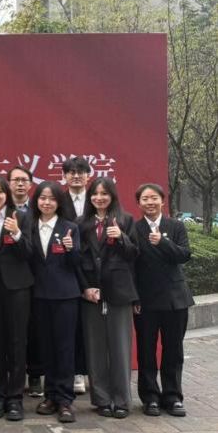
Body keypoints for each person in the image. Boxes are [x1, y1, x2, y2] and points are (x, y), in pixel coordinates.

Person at [78, 177, 138, 419]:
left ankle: (122, 400)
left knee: (120, 347)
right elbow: (76, 261)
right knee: (95, 348)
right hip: (91, 294)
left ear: (112, 196)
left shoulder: (126, 220)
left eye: (104, 193)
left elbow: (134, 255)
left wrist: (122, 237)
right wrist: (85, 288)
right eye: (95, 193)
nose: (99, 198)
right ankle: (101, 399)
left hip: (119, 292)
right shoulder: (81, 224)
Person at [133, 183, 193, 417]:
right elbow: (131, 266)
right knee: (146, 350)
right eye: (145, 199)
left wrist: (163, 242)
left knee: (173, 350)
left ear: (162, 200)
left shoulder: (175, 226)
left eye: (154, 198)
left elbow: (184, 255)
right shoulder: (134, 229)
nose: (150, 202)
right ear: (139, 203)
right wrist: (134, 297)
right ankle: (150, 397)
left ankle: (173, 396)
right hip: (146, 301)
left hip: (175, 299)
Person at [0, 176, 34, 421]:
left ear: (7, 193)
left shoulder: (22, 217)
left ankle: (15, 398)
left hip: (18, 287)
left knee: (17, 342)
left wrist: (17, 233)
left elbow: (30, 253)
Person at [29, 181, 82, 423]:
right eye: (43, 198)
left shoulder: (70, 228)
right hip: (39, 295)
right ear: (37, 201)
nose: (47, 202)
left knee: (64, 348)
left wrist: (71, 249)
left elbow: (76, 263)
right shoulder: (29, 226)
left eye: (52, 198)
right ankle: (50, 396)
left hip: (65, 296)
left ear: (59, 202)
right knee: (46, 347)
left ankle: (65, 399)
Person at [7, 166, 43, 398]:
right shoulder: (1, 208)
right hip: (11, 279)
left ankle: (35, 375)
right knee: (13, 331)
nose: (20, 184)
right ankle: (13, 375)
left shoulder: (40, 208)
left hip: (38, 276)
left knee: (35, 329)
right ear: (9, 184)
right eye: (15, 180)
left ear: (30, 184)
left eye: (24, 180)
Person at [60, 156, 90, 395]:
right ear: (65, 176)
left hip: (92, 269)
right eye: (71, 172)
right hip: (64, 268)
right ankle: (74, 372)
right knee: (70, 325)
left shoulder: (97, 198)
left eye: (81, 171)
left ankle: (89, 371)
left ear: (88, 175)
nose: (76, 176)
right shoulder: (57, 200)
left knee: (89, 325)